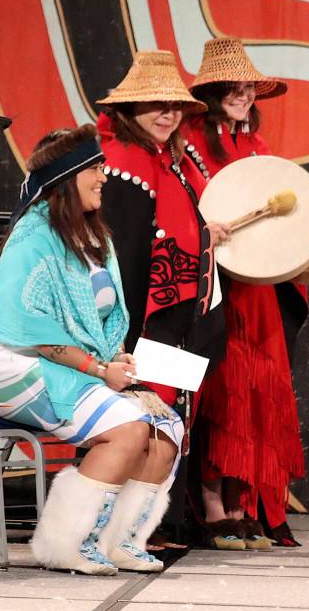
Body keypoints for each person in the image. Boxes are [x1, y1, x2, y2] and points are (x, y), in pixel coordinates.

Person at [0, 124, 183, 576]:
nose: (103, 177)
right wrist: (99, 369)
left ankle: (120, 542)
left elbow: (106, 323)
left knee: (166, 428)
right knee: (128, 428)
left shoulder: (96, 240)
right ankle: (67, 543)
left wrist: (118, 362)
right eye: (95, 168)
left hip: (83, 371)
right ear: (66, 178)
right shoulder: (32, 240)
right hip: (20, 367)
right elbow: (32, 330)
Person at [96, 51, 229, 548]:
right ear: (129, 110)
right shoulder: (127, 163)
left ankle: (149, 528)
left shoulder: (164, 162)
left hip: (173, 321)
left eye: (174, 105)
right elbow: (126, 256)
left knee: (170, 418)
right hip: (146, 323)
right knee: (148, 418)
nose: (168, 113)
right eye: (155, 104)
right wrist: (125, 338)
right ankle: (124, 531)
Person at [183, 37, 307, 549]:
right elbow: (190, 213)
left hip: (260, 291)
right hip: (217, 287)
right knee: (224, 392)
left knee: (259, 395)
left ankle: (243, 503)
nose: (243, 95)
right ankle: (213, 507)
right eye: (232, 87)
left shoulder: (259, 148)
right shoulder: (190, 142)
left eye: (249, 87)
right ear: (212, 91)